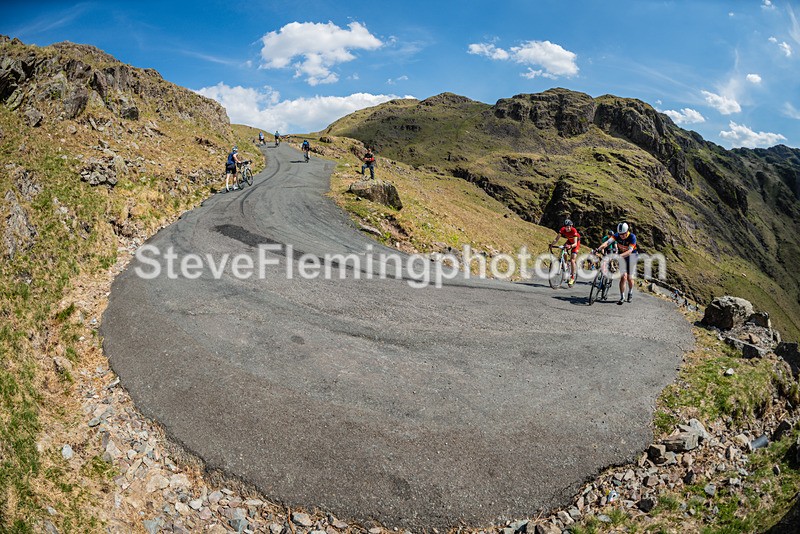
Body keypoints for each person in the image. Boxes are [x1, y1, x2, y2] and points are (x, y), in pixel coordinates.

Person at [597, 222, 638, 304]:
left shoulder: (632, 237)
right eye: (620, 234)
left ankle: (630, 292)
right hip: (622, 255)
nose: (622, 236)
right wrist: (598, 248)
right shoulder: (617, 235)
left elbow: (629, 251)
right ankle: (622, 297)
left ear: (627, 232)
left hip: (632, 256)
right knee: (623, 277)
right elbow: (607, 243)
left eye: (623, 234)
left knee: (630, 278)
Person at [550, 218, 580, 287]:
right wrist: (552, 245)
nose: (567, 229)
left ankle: (572, 277)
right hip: (569, 241)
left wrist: (570, 246)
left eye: (568, 227)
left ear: (571, 226)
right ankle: (565, 264)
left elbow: (575, 243)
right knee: (563, 249)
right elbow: (556, 239)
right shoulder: (562, 229)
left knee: (572, 259)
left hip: (575, 243)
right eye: (566, 227)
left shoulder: (574, 230)